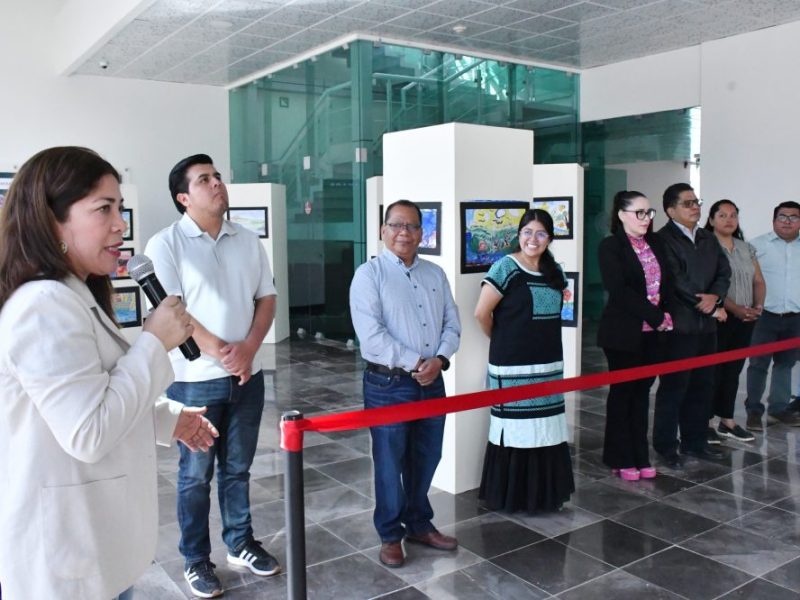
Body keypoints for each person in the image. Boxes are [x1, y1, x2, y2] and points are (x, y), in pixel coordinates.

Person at [0, 147, 218, 599]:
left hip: (90, 546)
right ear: (52, 220)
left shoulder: (71, 294)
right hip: (64, 559)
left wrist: (166, 420)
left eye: (119, 208)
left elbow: (89, 394)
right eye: (104, 209)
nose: (121, 224)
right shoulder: (42, 306)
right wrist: (154, 342)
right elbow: (88, 431)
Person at [146, 154, 278, 598]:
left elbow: (266, 298)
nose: (217, 183)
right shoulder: (166, 244)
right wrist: (225, 353)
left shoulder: (247, 239)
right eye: (204, 179)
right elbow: (174, 311)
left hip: (247, 375)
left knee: (238, 469)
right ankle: (196, 559)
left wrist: (249, 350)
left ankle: (240, 543)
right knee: (195, 475)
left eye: (217, 176)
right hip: (194, 379)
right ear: (183, 198)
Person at [349, 199, 461, 569]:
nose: (405, 233)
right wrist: (417, 362)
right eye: (397, 225)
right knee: (389, 462)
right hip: (388, 384)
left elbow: (452, 324)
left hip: (433, 382)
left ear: (422, 233)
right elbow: (372, 336)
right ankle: (389, 535)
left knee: (427, 457)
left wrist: (439, 359)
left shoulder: (435, 274)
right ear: (383, 230)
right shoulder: (369, 275)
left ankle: (419, 524)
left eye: (412, 226)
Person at [474, 208, 574, 512]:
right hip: (511, 364)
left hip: (548, 364)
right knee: (517, 430)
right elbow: (481, 313)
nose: (533, 239)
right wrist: (503, 340)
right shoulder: (505, 267)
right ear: (518, 235)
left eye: (541, 233)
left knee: (546, 427)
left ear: (550, 238)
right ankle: (515, 497)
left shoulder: (554, 271)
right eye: (527, 232)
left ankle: (543, 496)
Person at [653, 183, 731, 468]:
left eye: (697, 202)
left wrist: (715, 297)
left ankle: (695, 442)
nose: (695, 207)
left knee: (702, 386)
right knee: (674, 388)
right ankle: (666, 446)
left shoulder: (707, 238)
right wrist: (704, 302)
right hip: (679, 326)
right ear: (670, 210)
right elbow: (674, 279)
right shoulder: (662, 239)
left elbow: (724, 271)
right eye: (687, 203)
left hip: (706, 328)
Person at [597, 192, 674, 481]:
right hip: (622, 333)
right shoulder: (611, 246)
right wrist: (655, 316)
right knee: (623, 395)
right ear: (621, 214)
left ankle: (640, 454)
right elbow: (619, 291)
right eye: (639, 212)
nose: (646, 218)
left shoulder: (656, 243)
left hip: (653, 334)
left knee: (642, 395)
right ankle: (619, 456)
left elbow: (667, 284)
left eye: (649, 212)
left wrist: (666, 315)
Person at [704, 200, 765, 442]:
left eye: (733, 215)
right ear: (711, 220)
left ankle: (727, 421)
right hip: (719, 318)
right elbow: (710, 284)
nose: (729, 220)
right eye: (722, 215)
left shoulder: (746, 247)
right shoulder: (706, 246)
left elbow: (758, 280)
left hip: (746, 318)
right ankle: (705, 421)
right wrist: (736, 309)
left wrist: (758, 307)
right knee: (713, 371)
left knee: (733, 370)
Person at [744, 201, 800, 430]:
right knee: (758, 364)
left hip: (795, 317)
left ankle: (778, 409)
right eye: (782, 216)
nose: (787, 221)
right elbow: (747, 280)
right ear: (774, 220)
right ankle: (754, 411)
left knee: (785, 364)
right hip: (763, 316)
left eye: (794, 217)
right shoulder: (756, 246)